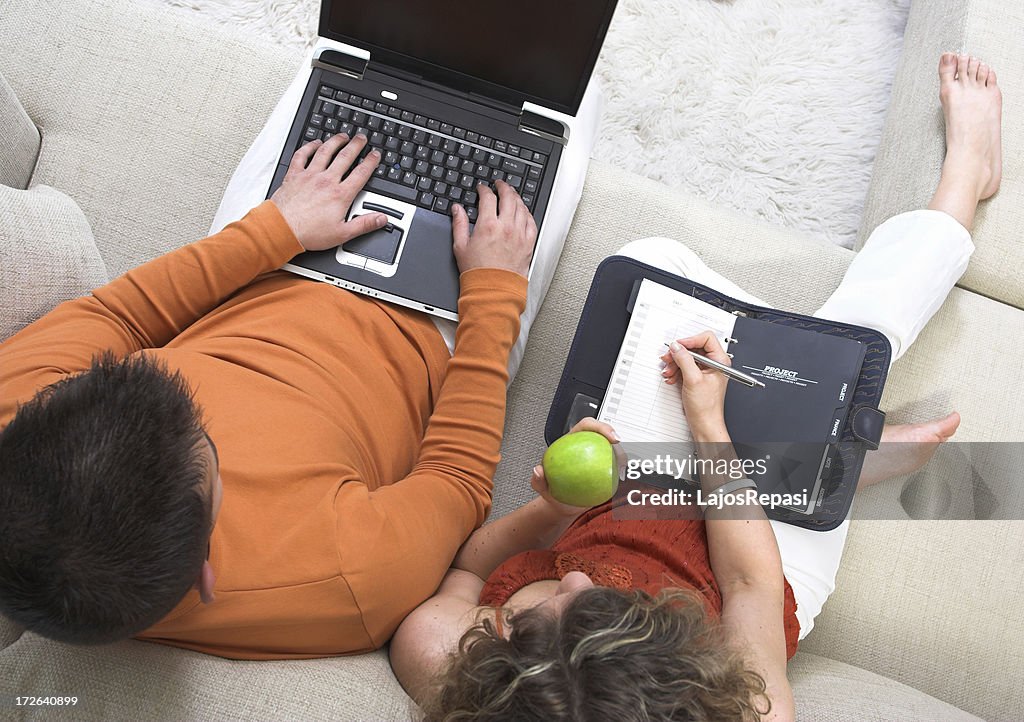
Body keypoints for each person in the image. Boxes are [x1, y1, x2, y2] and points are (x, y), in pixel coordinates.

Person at [389, 53, 1002, 721]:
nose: (570, 574)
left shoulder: (448, 655)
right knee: (849, 341)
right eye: (591, 604)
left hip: (628, 498)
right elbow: (749, 586)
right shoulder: (748, 708)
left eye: (541, 611)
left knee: (651, 265)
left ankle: (814, 457)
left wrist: (552, 511)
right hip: (756, 559)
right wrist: (710, 426)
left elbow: (469, 574)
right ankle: (965, 182)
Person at [0, 129, 538, 658]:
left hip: (263, 263)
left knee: (355, 69)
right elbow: (455, 479)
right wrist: (493, 291)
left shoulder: (21, 412)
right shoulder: (346, 585)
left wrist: (273, 228)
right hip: (438, 331)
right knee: (548, 124)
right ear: (206, 577)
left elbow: (118, 314)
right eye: (203, 440)